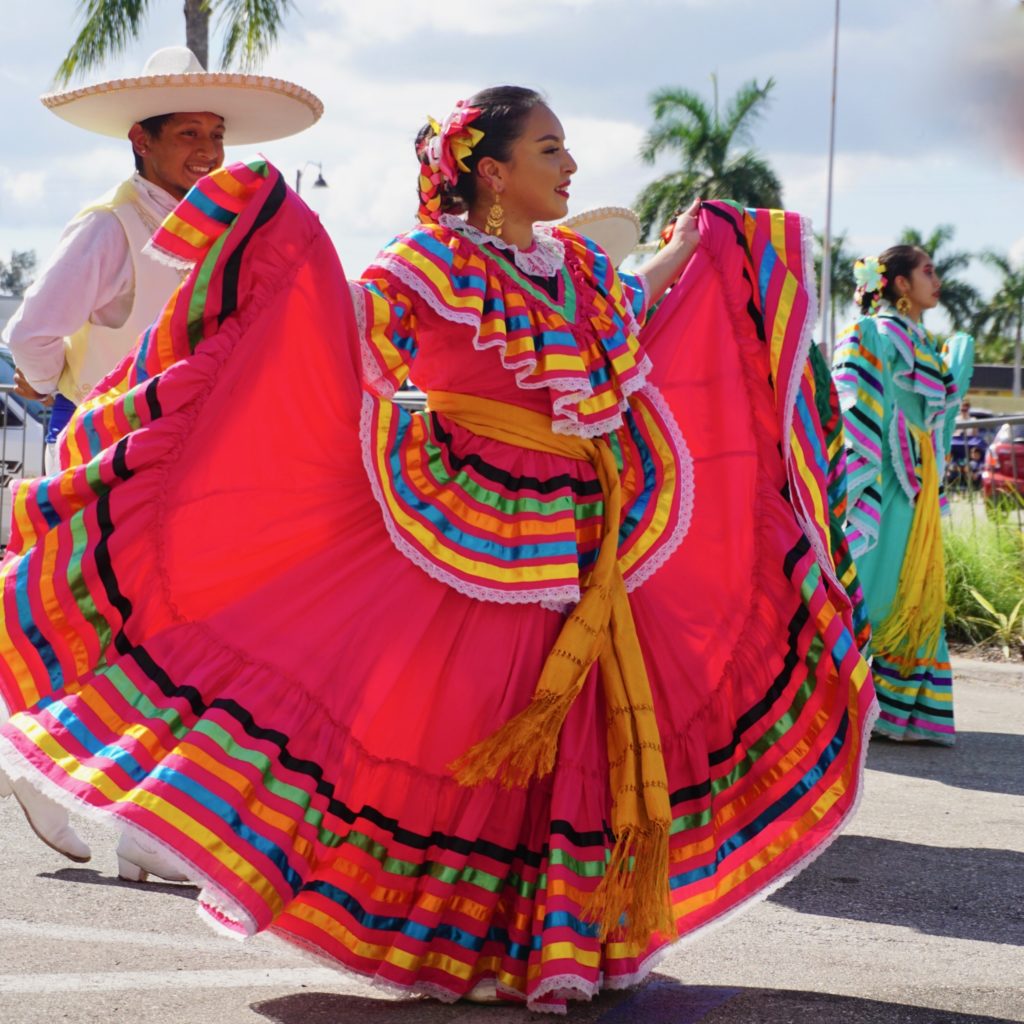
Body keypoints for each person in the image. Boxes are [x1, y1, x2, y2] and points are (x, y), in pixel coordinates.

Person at [0, 87, 875, 1011]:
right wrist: (275, 268)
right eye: (550, 148)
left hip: (579, 521)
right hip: (473, 522)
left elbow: (626, 299)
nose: (570, 166)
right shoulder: (425, 261)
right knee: (475, 729)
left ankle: (564, 942)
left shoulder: (571, 261)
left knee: (575, 726)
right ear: (492, 171)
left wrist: (691, 251)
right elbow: (344, 326)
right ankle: (466, 943)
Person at [0, 45, 321, 878]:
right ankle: (119, 806)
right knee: (147, 631)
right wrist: (69, 407)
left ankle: (132, 813)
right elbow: (30, 336)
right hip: (116, 455)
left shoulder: (224, 227)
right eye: (188, 134)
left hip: (196, 458)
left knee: (165, 633)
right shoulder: (111, 227)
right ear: (139, 142)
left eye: (215, 134)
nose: (209, 152)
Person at [832, 246, 974, 745]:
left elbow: (936, 410)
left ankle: (899, 708)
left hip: (916, 484)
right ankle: (839, 700)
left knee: (915, 589)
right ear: (898, 284)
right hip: (886, 480)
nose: (936, 280)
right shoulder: (876, 334)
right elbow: (858, 400)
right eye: (927, 271)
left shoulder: (921, 342)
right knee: (873, 584)